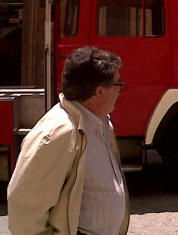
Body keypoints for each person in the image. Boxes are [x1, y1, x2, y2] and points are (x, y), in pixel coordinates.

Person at [8, 46, 129, 234]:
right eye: (118, 84)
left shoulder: (101, 124)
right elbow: (24, 209)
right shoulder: (57, 134)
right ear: (99, 92)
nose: (121, 91)